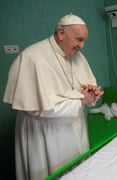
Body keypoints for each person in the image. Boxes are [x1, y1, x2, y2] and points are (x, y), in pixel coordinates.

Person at [3, 14, 103, 180]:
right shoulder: (31, 57)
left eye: (84, 40)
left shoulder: (77, 56)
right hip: (45, 133)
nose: (82, 46)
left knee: (77, 171)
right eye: (79, 39)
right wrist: (81, 101)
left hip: (76, 128)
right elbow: (37, 109)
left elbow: (81, 89)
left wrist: (90, 94)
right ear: (61, 33)